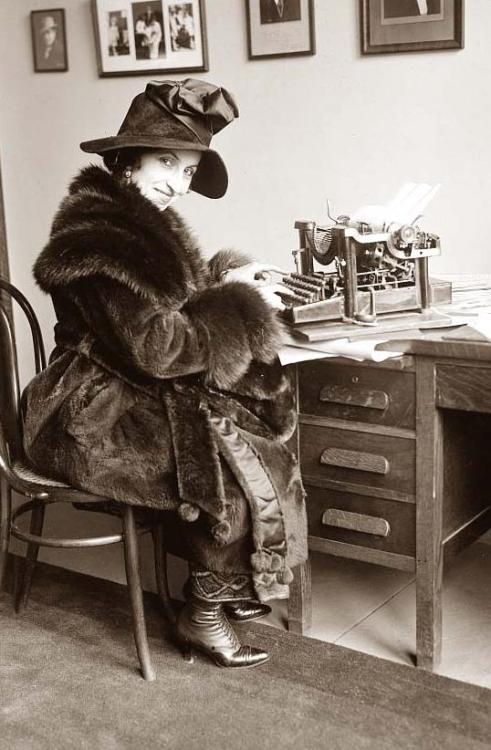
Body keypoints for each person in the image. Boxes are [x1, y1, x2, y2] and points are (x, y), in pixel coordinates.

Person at [22, 79, 308, 669]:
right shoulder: (100, 237)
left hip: (124, 383)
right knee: (221, 446)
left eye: (189, 168)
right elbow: (156, 346)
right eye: (166, 162)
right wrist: (234, 302)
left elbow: (173, 302)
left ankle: (223, 592)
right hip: (85, 407)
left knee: (244, 422)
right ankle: (203, 613)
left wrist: (234, 277)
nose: (178, 182)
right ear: (126, 159)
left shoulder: (136, 217)